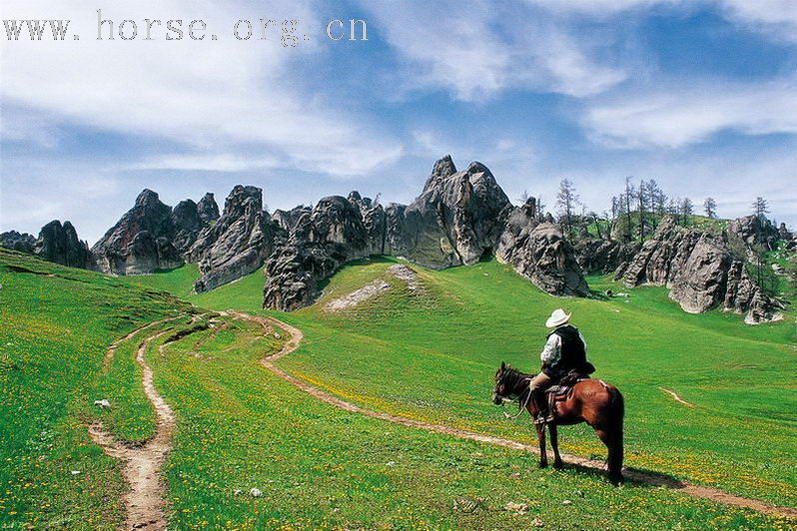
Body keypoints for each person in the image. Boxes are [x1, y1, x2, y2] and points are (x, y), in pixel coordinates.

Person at [529, 309, 594, 424]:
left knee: (534, 384)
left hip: (561, 370)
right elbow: (584, 347)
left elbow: (547, 357)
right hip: (579, 368)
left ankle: (543, 413)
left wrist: (545, 362)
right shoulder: (576, 331)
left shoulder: (555, 336)